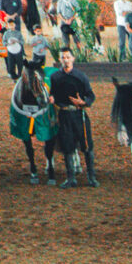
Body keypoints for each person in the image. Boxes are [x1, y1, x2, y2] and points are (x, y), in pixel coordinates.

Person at [48, 47, 98, 188]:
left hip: (79, 114)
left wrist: (84, 102)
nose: (65, 60)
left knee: (87, 146)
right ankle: (71, 178)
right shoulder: (55, 77)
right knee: (67, 147)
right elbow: (54, 94)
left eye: (68, 57)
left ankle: (91, 177)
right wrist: (52, 98)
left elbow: (90, 95)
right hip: (64, 115)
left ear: (73, 59)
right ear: (59, 60)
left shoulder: (81, 76)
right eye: (63, 57)